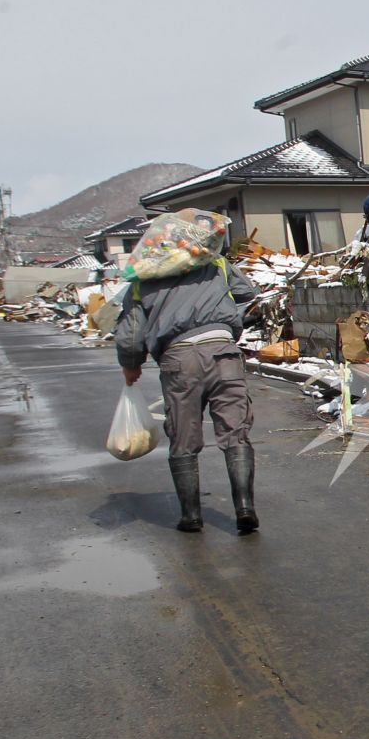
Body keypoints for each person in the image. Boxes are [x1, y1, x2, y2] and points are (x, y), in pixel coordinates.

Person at [113, 211, 261, 534]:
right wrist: (226, 321)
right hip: (223, 351)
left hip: (179, 358)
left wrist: (131, 365)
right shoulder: (215, 264)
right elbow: (248, 294)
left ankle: (191, 516)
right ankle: (245, 508)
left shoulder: (144, 278)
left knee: (183, 435)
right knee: (236, 429)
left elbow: (132, 333)